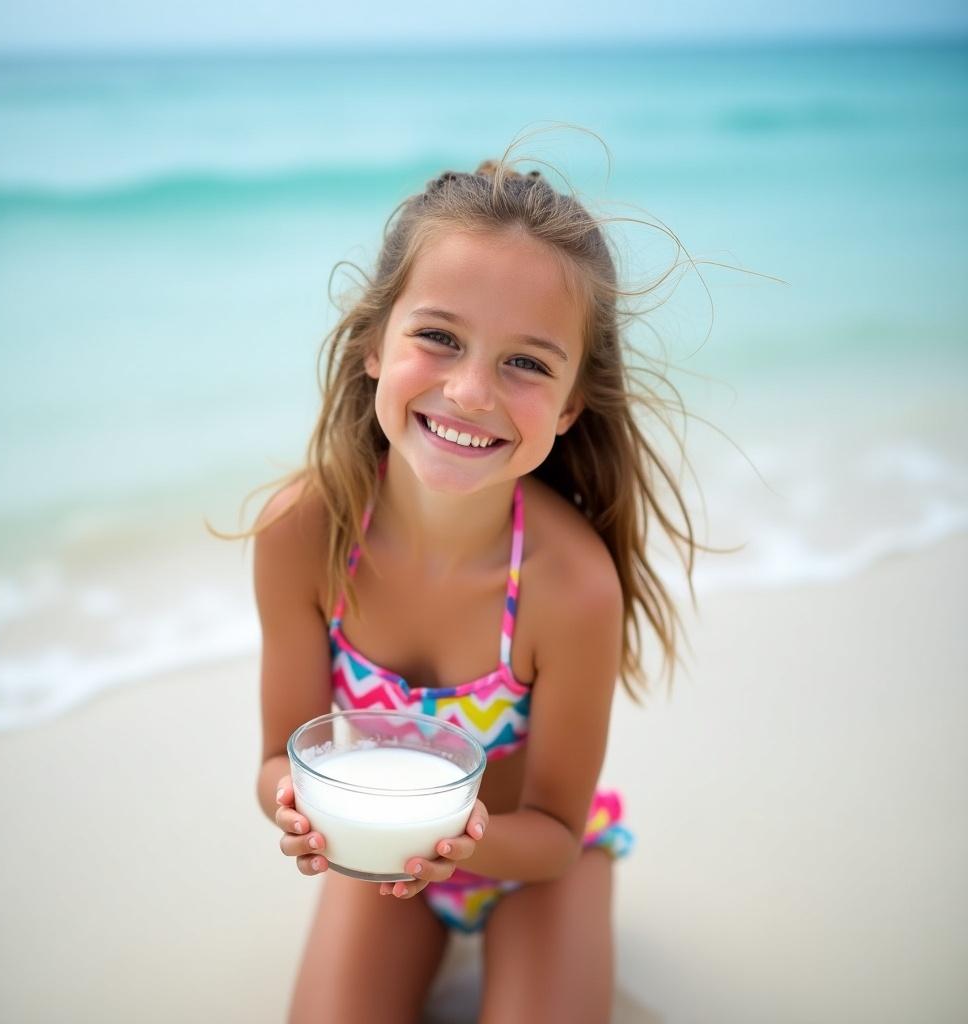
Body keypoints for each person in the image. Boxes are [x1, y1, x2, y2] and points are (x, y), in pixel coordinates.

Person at [246, 147, 697, 1023]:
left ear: (570, 407)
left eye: (527, 363)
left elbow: (558, 834)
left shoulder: (569, 588)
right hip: (384, 852)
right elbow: (276, 759)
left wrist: (464, 848)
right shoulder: (305, 535)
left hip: (531, 863)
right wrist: (296, 806)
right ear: (376, 344)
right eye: (440, 337)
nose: (470, 390)